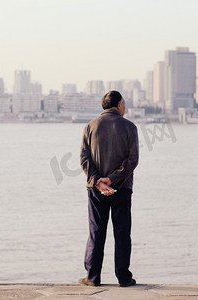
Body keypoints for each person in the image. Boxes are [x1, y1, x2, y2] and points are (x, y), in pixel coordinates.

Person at [79, 90, 139, 287]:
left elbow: (84, 159)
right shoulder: (130, 127)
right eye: (124, 103)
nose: (125, 106)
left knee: (96, 231)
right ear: (119, 104)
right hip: (121, 188)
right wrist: (112, 180)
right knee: (122, 233)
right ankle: (123, 278)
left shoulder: (90, 126)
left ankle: (92, 277)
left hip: (96, 190)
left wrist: (98, 181)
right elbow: (132, 160)